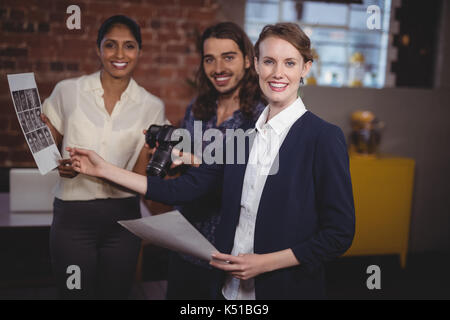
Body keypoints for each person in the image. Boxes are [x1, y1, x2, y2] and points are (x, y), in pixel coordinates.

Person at [69, 22, 355, 299]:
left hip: (284, 288)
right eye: (269, 62)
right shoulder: (240, 138)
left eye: (290, 63)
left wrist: (264, 263)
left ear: (306, 68)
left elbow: (338, 233)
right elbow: (181, 189)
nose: (277, 73)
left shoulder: (324, 137)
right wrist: (103, 168)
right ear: (256, 65)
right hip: (227, 289)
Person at [41, 15, 168, 299]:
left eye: (129, 46)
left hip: (123, 221)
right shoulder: (68, 91)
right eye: (111, 45)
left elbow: (140, 177)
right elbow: (45, 154)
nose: (120, 54)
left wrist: (150, 155)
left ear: (139, 51)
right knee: (74, 293)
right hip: (72, 218)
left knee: (116, 294)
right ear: (98, 48)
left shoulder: (151, 106)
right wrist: (57, 163)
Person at [164, 22, 265, 299]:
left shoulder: (259, 116)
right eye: (210, 59)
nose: (218, 68)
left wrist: (197, 161)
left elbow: (253, 184)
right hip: (184, 239)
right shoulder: (196, 109)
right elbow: (186, 175)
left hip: (228, 251)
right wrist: (172, 159)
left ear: (247, 61)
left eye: (228, 57)